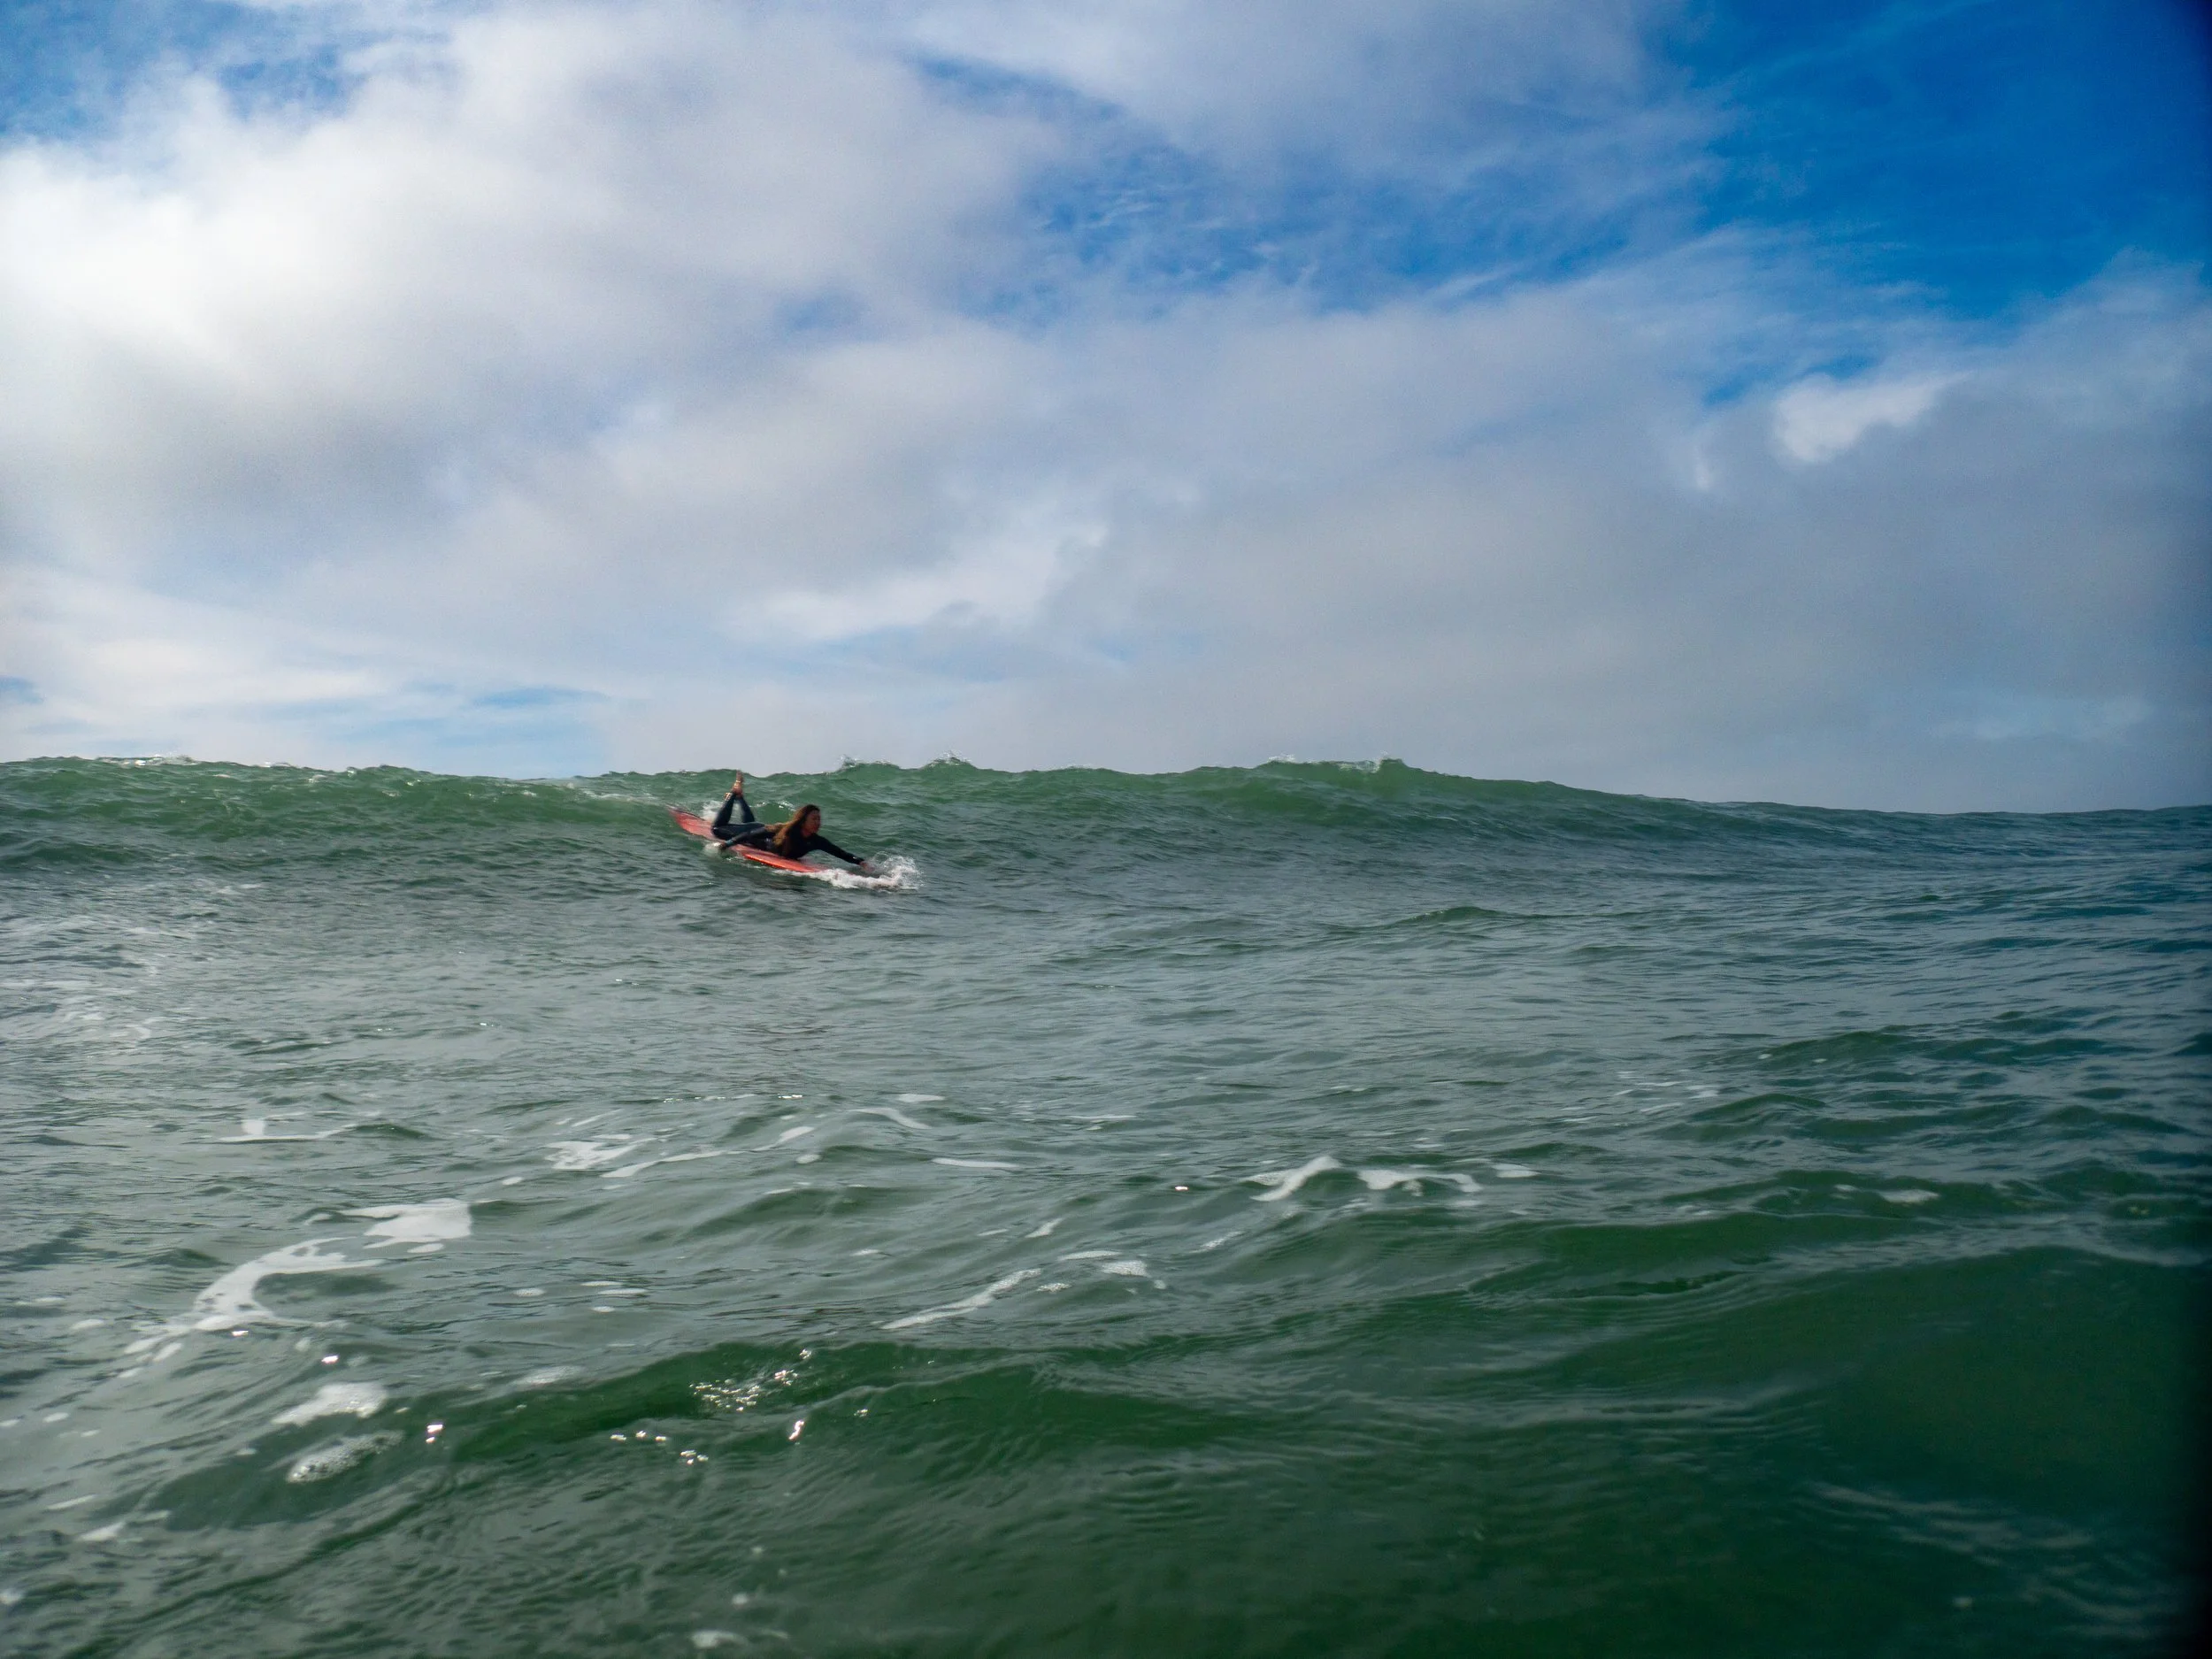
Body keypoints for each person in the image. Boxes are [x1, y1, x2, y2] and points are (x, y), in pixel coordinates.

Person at [710, 773, 872, 870]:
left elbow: (839, 853)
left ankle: (740, 798)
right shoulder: (784, 830)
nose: (818, 822)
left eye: (819, 819)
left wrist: (861, 862)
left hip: (755, 831)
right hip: (754, 835)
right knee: (717, 830)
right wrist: (727, 844)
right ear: (803, 821)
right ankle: (734, 793)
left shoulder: (816, 841)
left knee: (749, 823)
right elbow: (750, 834)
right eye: (814, 819)